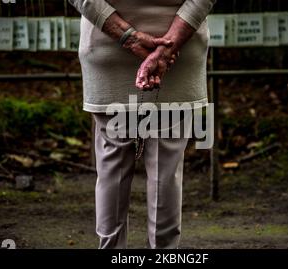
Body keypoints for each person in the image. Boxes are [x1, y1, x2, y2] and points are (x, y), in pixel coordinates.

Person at [68, 0, 216, 249]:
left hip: (108, 47)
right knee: (166, 171)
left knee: (111, 167)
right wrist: (169, 45)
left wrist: (129, 37)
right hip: (179, 51)